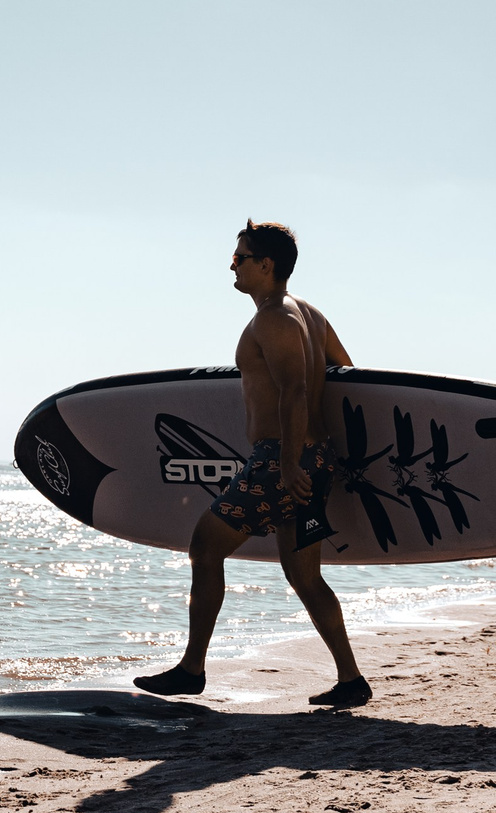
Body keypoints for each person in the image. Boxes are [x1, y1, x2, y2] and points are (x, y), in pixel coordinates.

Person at [136, 221, 371, 708]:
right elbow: (346, 374)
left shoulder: (273, 320)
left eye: (240, 257)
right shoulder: (311, 315)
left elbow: (295, 390)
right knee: (304, 575)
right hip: (315, 460)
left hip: (282, 463)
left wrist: (287, 465)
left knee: (205, 545)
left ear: (266, 265)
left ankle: (191, 670)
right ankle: (351, 680)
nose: (232, 264)